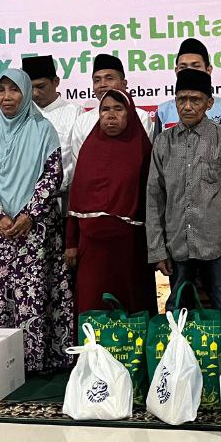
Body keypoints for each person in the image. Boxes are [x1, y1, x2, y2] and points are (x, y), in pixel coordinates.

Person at [0, 69, 70, 371]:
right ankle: (4, 364)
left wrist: (29, 214)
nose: (6, 97)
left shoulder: (43, 130)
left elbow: (53, 175)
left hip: (36, 232)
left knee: (35, 295)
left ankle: (35, 361)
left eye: (13, 90)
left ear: (26, 93)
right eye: (1, 90)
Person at [147, 69, 221, 345]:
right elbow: (154, 198)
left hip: (216, 243)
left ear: (209, 103)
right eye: (181, 100)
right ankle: (179, 366)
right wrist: (157, 249)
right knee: (177, 308)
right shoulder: (163, 143)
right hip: (178, 242)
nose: (187, 106)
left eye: (195, 100)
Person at [65, 88, 156, 314]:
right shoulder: (89, 148)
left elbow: (153, 201)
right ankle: (92, 351)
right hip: (91, 246)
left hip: (130, 246)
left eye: (118, 108)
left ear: (130, 113)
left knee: (130, 304)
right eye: (105, 109)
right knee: (92, 303)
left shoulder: (142, 150)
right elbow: (76, 198)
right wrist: (71, 243)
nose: (110, 114)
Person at [66, 54, 154, 181]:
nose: (102, 84)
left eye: (109, 78)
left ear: (124, 84)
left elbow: (142, 160)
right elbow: (79, 165)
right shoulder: (83, 121)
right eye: (97, 80)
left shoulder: (140, 117)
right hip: (94, 191)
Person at [154, 38, 221, 142]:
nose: (189, 72)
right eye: (183, 67)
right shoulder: (163, 111)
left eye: (195, 66)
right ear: (176, 71)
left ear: (208, 70)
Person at [23, 54, 81, 190]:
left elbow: (78, 158)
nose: (35, 93)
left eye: (41, 86)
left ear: (56, 82)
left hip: (65, 193)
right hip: (26, 197)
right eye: (30, 88)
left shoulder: (74, 111)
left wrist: (53, 186)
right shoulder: (21, 115)